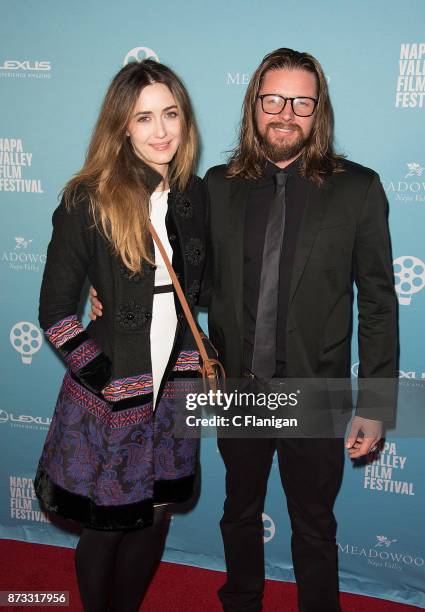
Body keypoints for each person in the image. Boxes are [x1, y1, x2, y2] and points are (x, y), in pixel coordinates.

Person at [90, 48, 398, 611]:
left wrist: (376, 402)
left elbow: (378, 302)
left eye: (301, 102)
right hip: (239, 387)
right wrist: (110, 289)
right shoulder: (216, 185)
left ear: (318, 110)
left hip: (315, 391)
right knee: (238, 511)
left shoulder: (359, 189)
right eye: (273, 100)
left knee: (314, 526)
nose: (287, 113)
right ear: (254, 104)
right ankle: (241, 603)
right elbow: (189, 279)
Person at [35, 59, 208, 612]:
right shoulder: (89, 199)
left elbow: (203, 289)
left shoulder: (194, 196)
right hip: (115, 392)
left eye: (171, 114)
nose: (161, 131)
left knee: (155, 515)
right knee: (107, 524)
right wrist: (105, 379)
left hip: (174, 390)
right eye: (144, 118)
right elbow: (55, 312)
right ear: (121, 127)